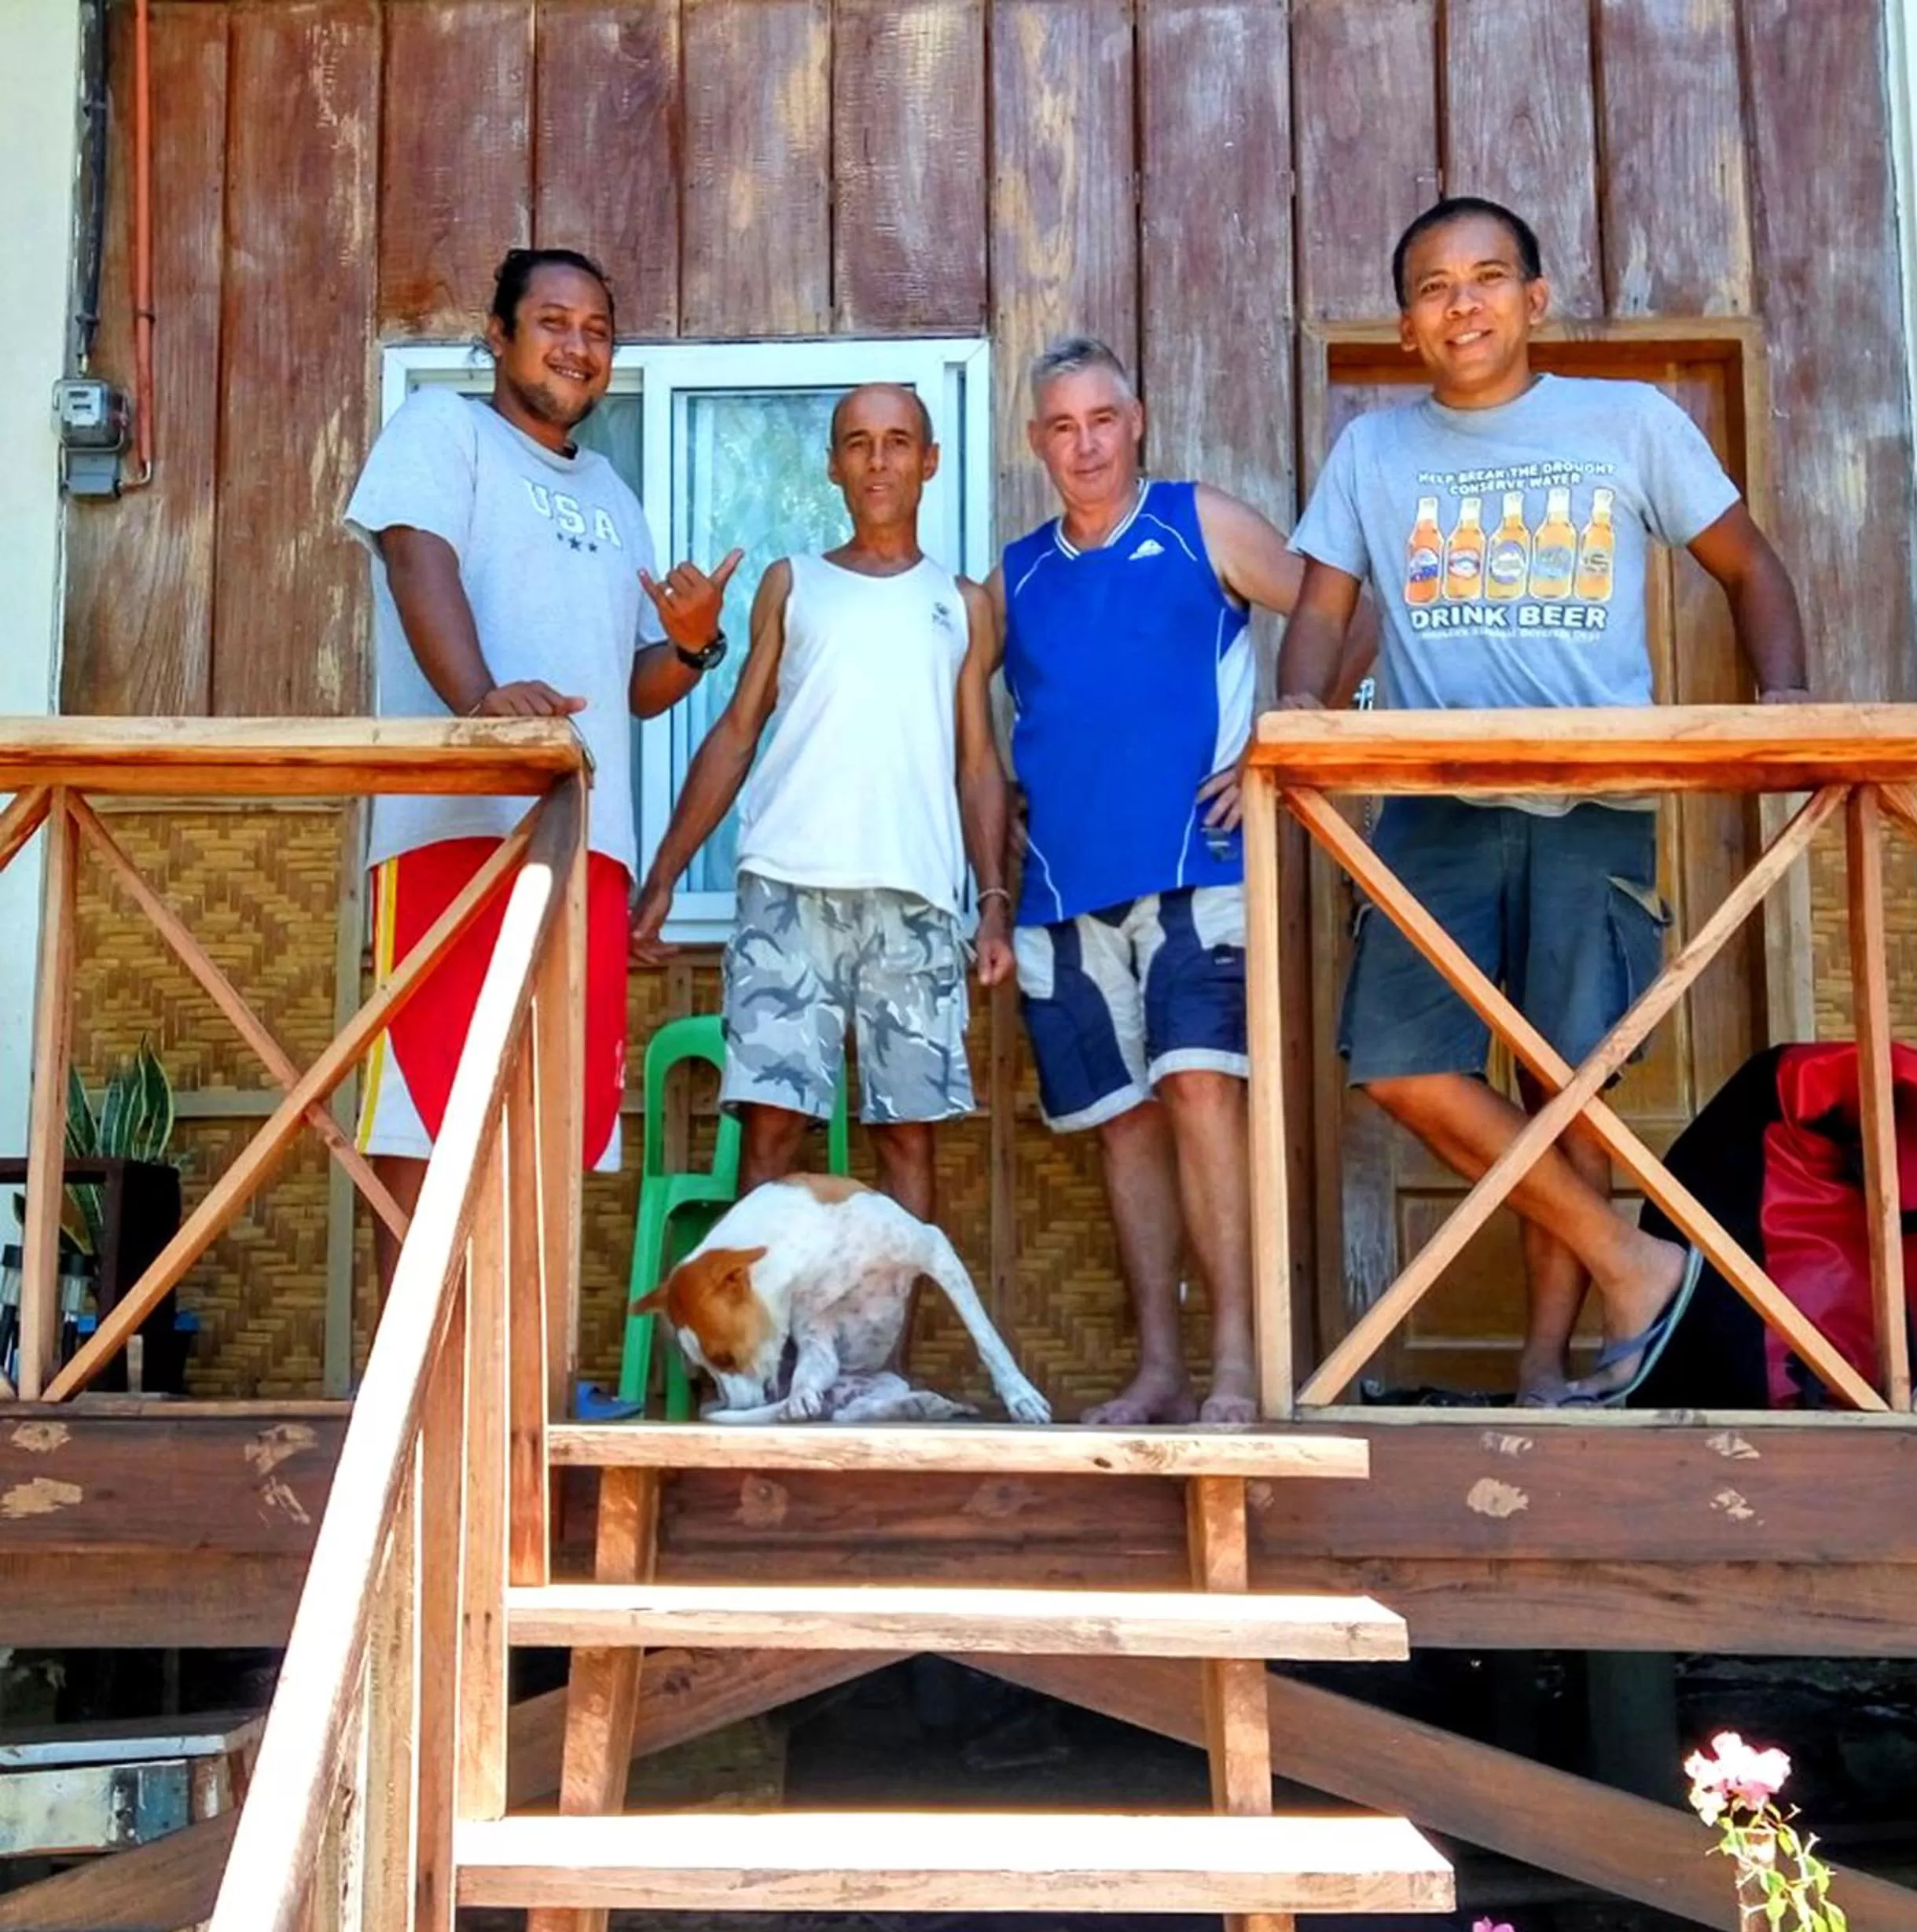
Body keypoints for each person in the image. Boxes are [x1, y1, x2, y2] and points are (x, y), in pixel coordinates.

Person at [1279, 196, 1810, 1404]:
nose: (1460, 304)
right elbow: (1317, 613)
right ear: (1407, 324)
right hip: (1433, 808)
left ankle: (1545, 1373)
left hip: (1597, 805)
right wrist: (1297, 726)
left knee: (1566, 1083)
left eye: (1485, 277)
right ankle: (1636, 1266)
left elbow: (1747, 562)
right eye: (1431, 287)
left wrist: (1786, 694)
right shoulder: (1373, 452)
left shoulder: (1628, 423)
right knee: (1405, 1064)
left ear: (1535, 297)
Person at [993, 336, 1372, 1427]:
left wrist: (1280, 740)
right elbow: (976, 721)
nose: (1085, 444)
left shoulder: (1196, 519)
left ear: (1139, 418)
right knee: (1124, 1121)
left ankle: (1240, 1369)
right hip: (1061, 892)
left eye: (1102, 419)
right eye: (1062, 427)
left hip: (1195, 872)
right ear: (1035, 444)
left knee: (1204, 1087)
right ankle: (1161, 1368)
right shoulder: (1014, 575)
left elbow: (1341, 609)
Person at [344, 247, 739, 1294]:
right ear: (500, 334)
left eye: (598, 330)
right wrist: (481, 706)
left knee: (559, 1119)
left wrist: (696, 645)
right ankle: (412, 1393)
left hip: (589, 851)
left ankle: (522, 1394)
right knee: (425, 1104)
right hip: (454, 832)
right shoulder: (443, 429)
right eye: (554, 321)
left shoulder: (614, 494)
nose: (577, 344)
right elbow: (412, 556)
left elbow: (630, 684)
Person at [631, 383, 1013, 1230]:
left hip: (915, 898)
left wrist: (990, 903)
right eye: (858, 443)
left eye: (898, 442)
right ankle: (756, 1365)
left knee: (908, 1140)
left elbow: (977, 763)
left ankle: (883, 1364)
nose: (879, 460)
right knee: (770, 1132)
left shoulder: (963, 605)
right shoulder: (792, 583)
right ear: (834, 465)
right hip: (786, 889)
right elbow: (735, 733)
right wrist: (664, 875)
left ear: (929, 462)